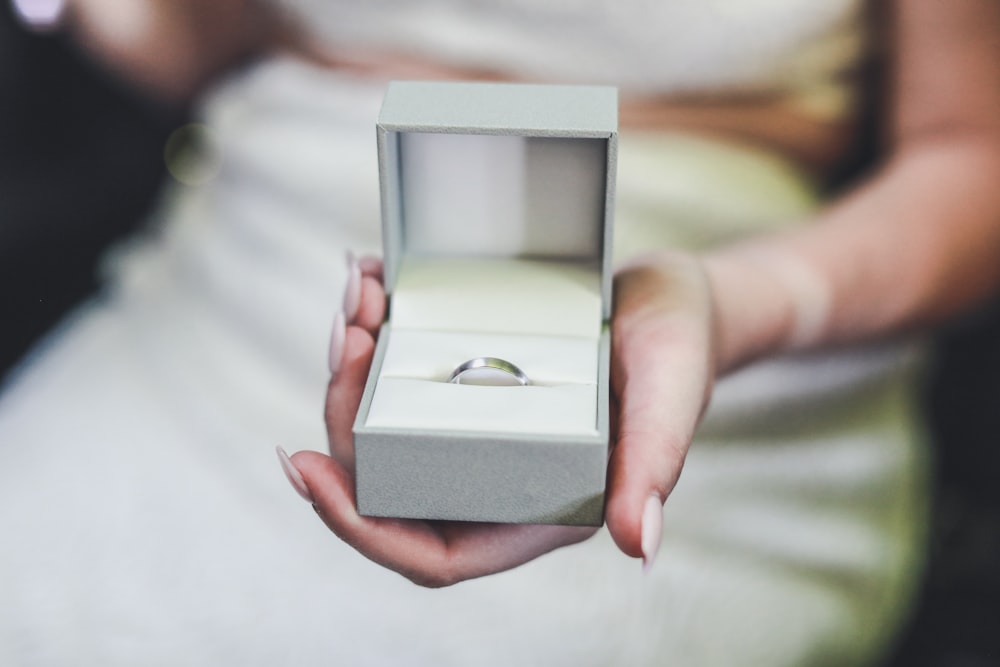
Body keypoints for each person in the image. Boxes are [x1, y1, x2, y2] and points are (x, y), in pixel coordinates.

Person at [1, 0, 998, 665]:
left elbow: (972, 154)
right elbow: (191, 43)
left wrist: (732, 304)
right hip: (245, 293)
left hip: (732, 345)